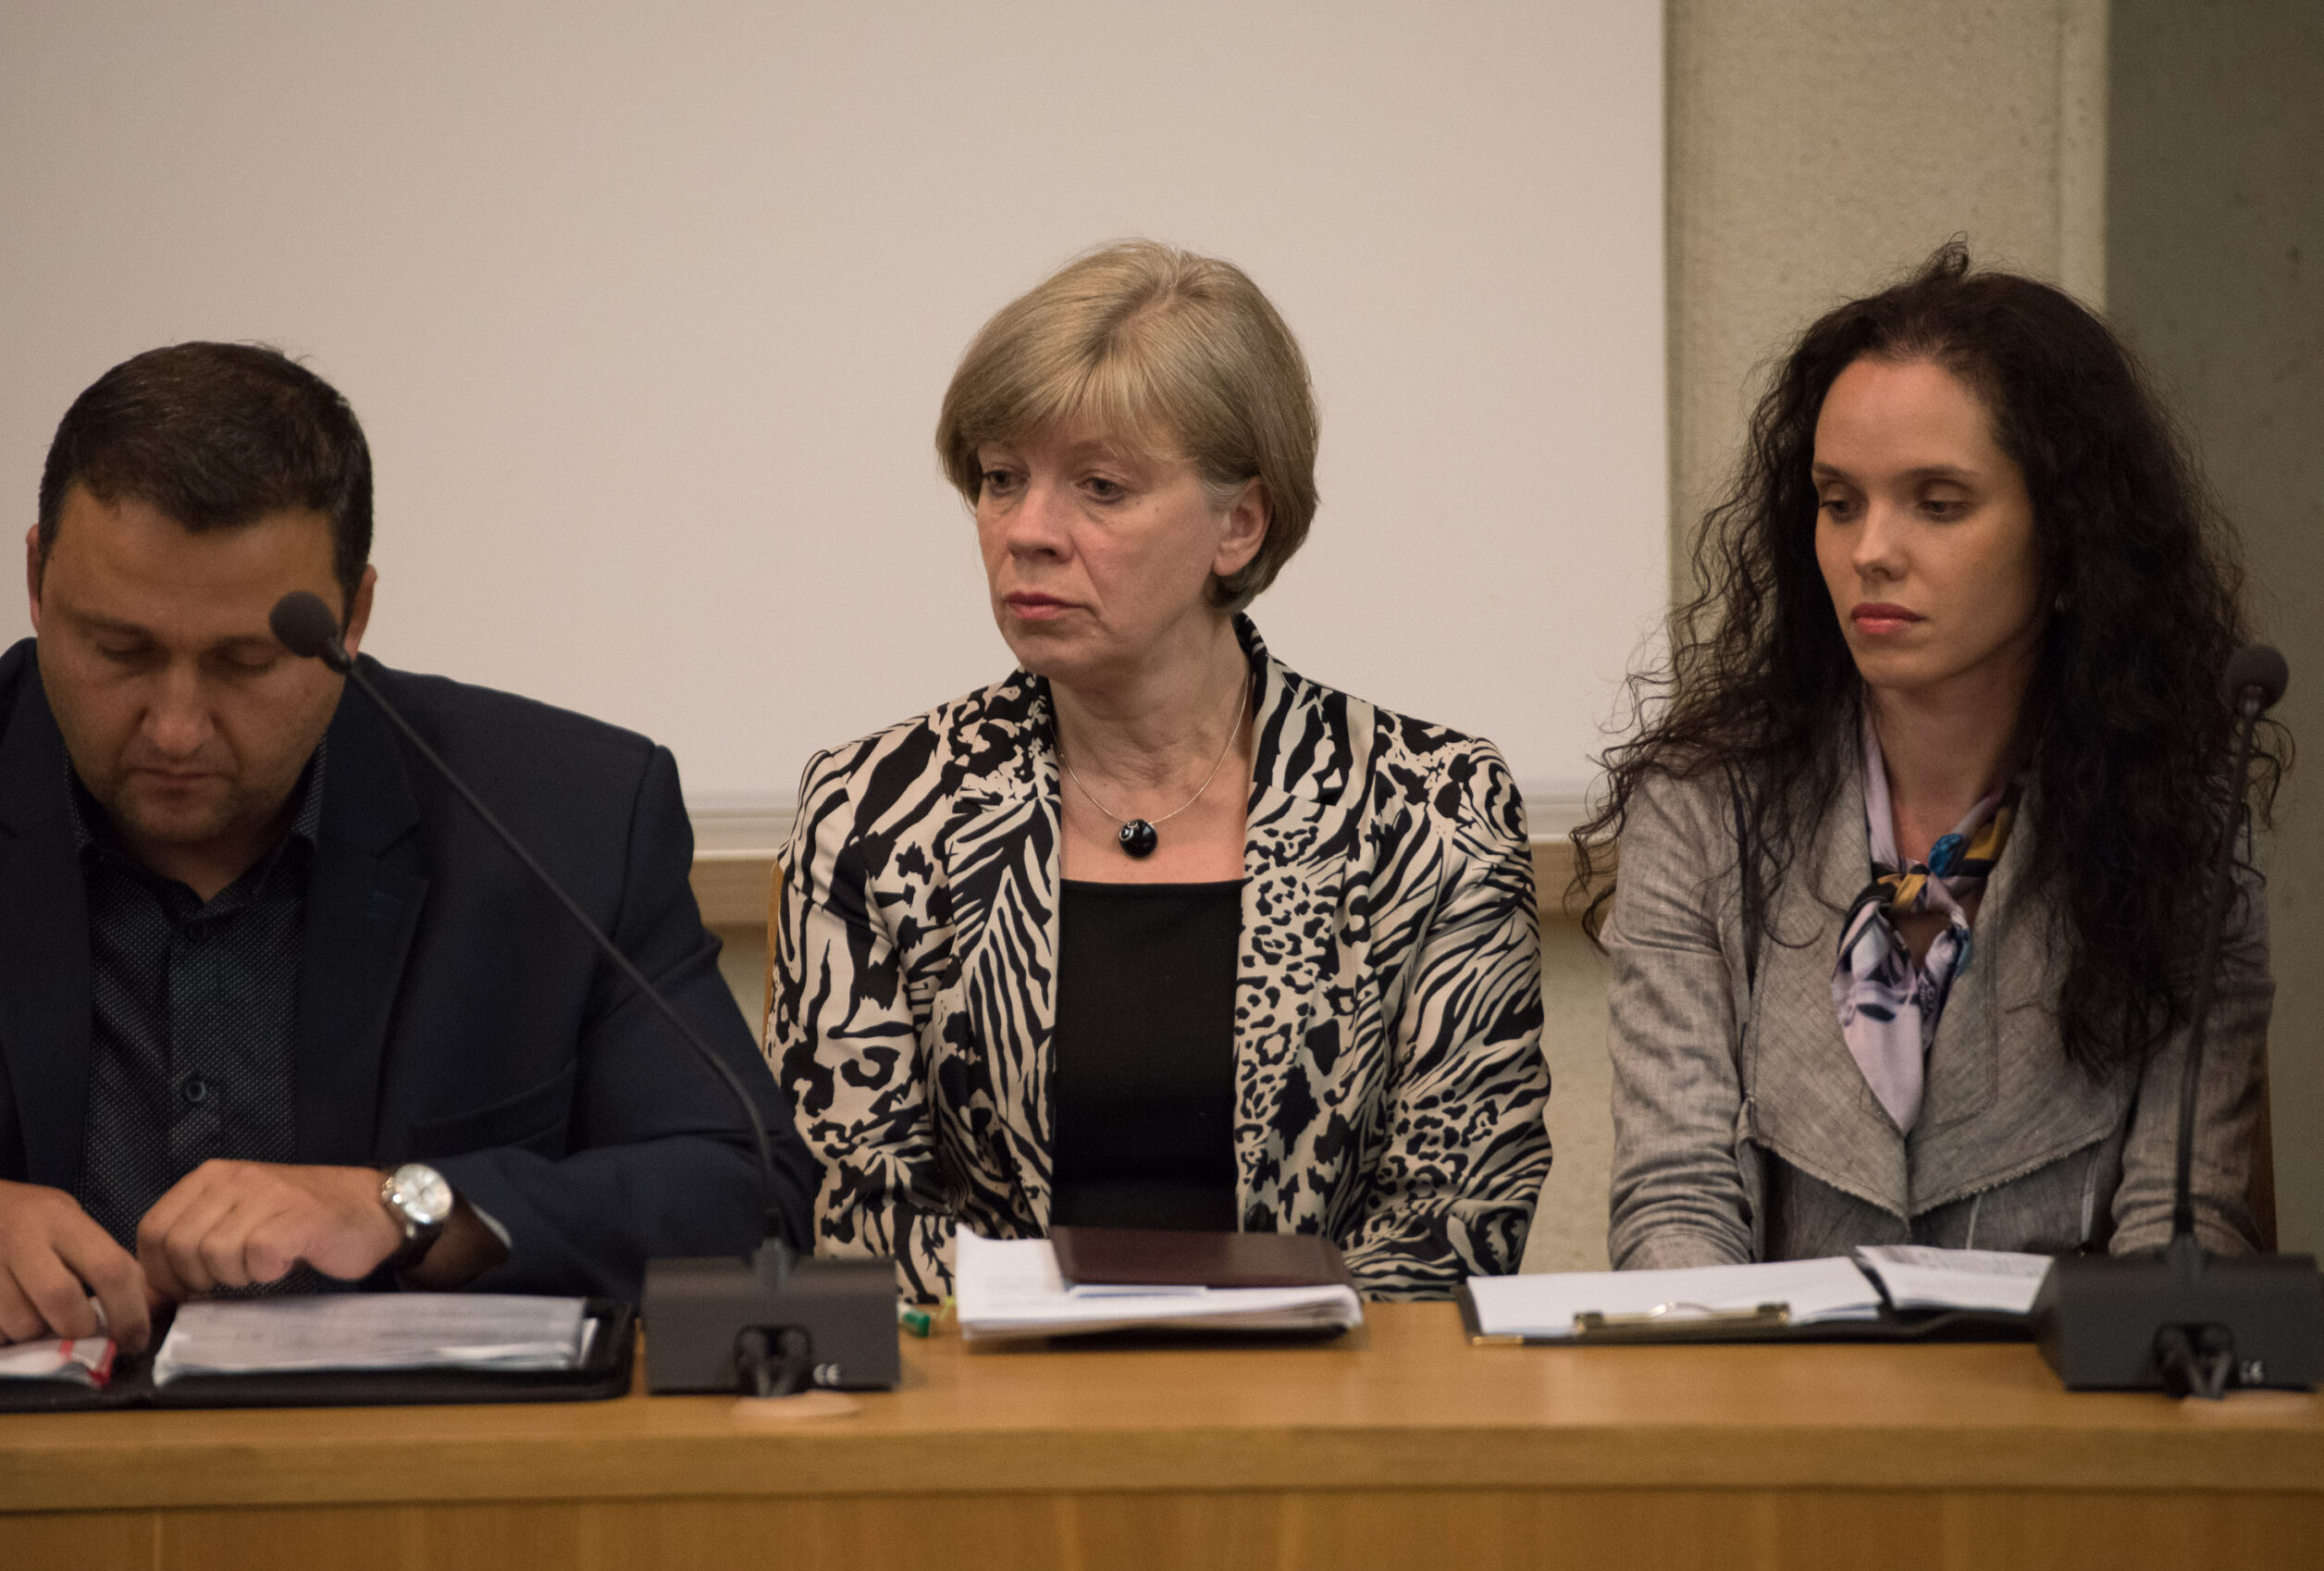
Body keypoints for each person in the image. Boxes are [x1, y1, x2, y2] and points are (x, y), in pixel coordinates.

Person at [0, 342, 816, 1351]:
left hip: (409, 1447)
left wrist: (410, 1209)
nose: (177, 726)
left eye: (245, 661)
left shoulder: (561, 817)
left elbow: (744, 1192)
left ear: (352, 615)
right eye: (120, 649)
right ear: (35, 579)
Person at [767, 241, 1551, 1301]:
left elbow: (1453, 1219)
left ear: (1239, 523)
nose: (1026, 532)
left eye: (1099, 487)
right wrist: (1063, 1350)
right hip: (987, 1391)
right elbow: (850, 1205)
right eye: (1001, 478)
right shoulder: (875, 810)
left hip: (1323, 1388)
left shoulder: (1428, 807)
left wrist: (1235, 1358)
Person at [1586, 243, 2280, 1268]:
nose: (1871, 550)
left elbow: (2183, 1226)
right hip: (1766, 1371)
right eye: (1839, 502)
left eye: (1938, 503)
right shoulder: (1702, 808)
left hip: (2065, 1374)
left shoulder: (2176, 820)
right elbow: (1673, 1204)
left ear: (2068, 538)